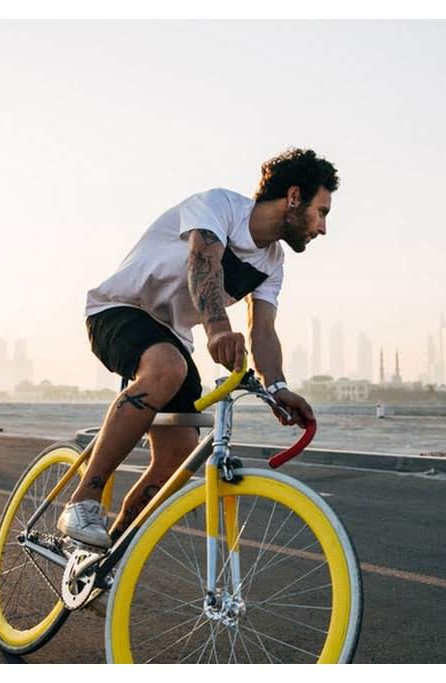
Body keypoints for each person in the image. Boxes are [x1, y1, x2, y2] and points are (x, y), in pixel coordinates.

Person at [58, 147, 337, 549]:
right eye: (322, 212)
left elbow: (262, 333)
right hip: (117, 309)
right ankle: (82, 502)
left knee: (179, 460)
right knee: (168, 368)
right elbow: (202, 264)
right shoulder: (220, 206)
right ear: (294, 198)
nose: (323, 228)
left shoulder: (272, 263)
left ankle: (104, 557)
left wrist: (277, 389)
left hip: (171, 337)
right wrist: (218, 329)